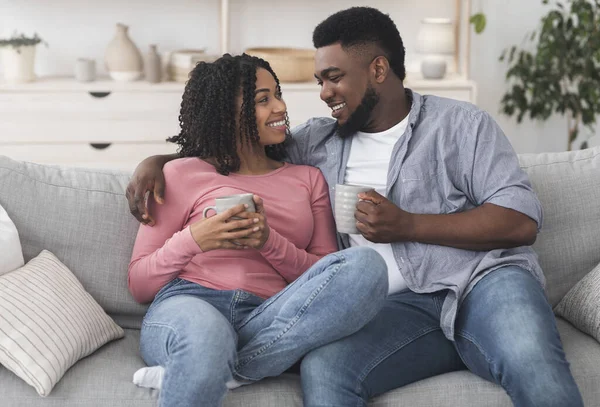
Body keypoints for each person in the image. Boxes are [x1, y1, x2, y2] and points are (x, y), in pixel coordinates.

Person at [126, 7, 584, 407]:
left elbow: (520, 221)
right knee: (325, 368)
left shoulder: (462, 126)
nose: (324, 92)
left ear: (378, 70)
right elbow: (238, 147)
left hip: (483, 283)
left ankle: (212, 366)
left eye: (334, 77)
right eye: (319, 80)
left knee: (530, 357)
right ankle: (213, 364)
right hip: (392, 309)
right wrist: (158, 162)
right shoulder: (316, 142)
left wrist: (407, 224)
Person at [127, 53, 388, 407]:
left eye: (277, 94)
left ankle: (223, 369)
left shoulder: (307, 179)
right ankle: (210, 361)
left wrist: (268, 241)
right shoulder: (179, 174)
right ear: (226, 114)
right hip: (189, 303)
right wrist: (194, 240)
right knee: (207, 336)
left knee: (365, 267)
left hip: (273, 315)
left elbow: (324, 274)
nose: (280, 107)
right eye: (263, 100)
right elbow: (139, 284)